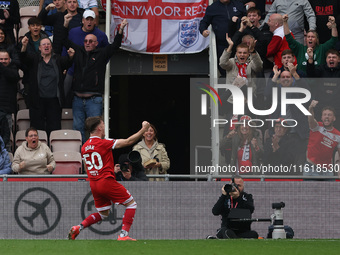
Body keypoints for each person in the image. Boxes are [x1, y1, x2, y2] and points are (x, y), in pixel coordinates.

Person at [68, 116, 150, 241]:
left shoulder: (84, 147)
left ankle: (78, 227)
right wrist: (144, 129)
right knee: (131, 204)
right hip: (106, 181)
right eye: (103, 124)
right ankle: (123, 235)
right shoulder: (104, 143)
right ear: (99, 127)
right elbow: (128, 141)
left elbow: (87, 167)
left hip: (94, 184)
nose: (105, 127)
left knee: (103, 214)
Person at [62, 18, 127, 143]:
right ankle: (82, 158)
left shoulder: (102, 54)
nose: (87, 43)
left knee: (95, 130)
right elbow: (64, 40)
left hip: (94, 100)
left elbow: (115, 46)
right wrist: (65, 25)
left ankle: (94, 156)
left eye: (91, 41)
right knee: (77, 129)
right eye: (85, 41)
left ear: (96, 43)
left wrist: (120, 31)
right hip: (77, 100)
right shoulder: (79, 51)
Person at [20, 37, 75, 137]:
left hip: (54, 101)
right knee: (37, 129)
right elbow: (23, 58)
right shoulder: (34, 59)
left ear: (51, 47)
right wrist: (24, 46)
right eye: (44, 44)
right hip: (37, 101)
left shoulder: (57, 59)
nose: (46, 46)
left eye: (48, 44)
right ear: (39, 48)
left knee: (54, 129)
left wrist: (71, 56)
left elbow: (68, 62)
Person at [62, 9, 109, 107]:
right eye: (87, 19)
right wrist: (64, 65)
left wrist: (99, 65)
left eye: (92, 19)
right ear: (83, 20)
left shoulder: (101, 35)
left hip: (90, 73)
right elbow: (65, 46)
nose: (89, 22)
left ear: (95, 21)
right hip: (72, 69)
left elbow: (107, 52)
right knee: (64, 95)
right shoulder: (73, 32)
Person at [199, 0, 247, 77]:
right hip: (222, 45)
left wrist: (245, 18)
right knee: (224, 68)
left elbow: (246, 16)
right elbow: (204, 22)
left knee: (243, 69)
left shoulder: (239, 5)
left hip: (239, 43)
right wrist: (203, 30)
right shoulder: (212, 8)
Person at [304, 101, 340, 179]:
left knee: (331, 191)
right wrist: (310, 108)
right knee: (308, 191)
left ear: (334, 118)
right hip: (311, 169)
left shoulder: (338, 135)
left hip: (327, 171)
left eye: (329, 115)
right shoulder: (317, 127)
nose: (327, 117)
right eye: (324, 115)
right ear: (321, 118)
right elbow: (310, 119)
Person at [306, 49, 340, 129]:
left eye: (334, 57)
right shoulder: (321, 69)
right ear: (326, 59)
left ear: (339, 60)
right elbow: (311, 74)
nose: (331, 59)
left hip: (337, 106)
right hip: (321, 106)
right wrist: (310, 59)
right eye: (329, 57)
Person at [0, 49, 19, 145]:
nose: (3, 61)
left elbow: (14, 77)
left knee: (6, 141)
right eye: (1, 59)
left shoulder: (13, 69)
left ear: (9, 59)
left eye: (5, 59)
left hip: (7, 111)